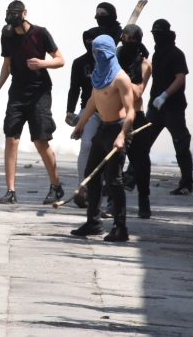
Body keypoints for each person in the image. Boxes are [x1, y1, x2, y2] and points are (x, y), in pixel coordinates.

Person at [0, 0, 65, 205]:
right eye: (9, 14)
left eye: (15, 13)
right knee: (11, 138)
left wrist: (42, 63)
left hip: (39, 91)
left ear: (24, 13)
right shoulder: (7, 35)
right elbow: (7, 65)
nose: (12, 17)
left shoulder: (40, 33)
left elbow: (60, 59)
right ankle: (10, 191)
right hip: (17, 91)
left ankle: (56, 186)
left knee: (40, 139)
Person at [70, 35, 135, 242]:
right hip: (103, 129)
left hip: (118, 130)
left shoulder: (120, 78)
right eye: (94, 52)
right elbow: (92, 101)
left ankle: (120, 227)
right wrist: (80, 125)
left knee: (114, 180)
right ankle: (93, 223)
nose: (96, 56)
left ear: (109, 52)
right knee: (91, 174)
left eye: (100, 52)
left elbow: (131, 111)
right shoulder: (98, 73)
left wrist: (122, 136)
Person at [141, 19, 193, 195]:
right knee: (142, 143)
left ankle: (186, 184)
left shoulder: (176, 54)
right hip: (155, 108)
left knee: (181, 144)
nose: (156, 36)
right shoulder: (157, 54)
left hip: (173, 108)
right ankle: (130, 179)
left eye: (159, 33)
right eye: (154, 33)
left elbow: (180, 78)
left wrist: (165, 95)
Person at [117, 24, 153, 218]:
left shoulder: (145, 64)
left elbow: (138, 92)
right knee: (115, 161)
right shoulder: (116, 58)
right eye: (124, 38)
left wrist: (120, 78)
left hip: (136, 117)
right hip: (116, 115)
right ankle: (112, 203)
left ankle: (144, 200)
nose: (126, 42)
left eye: (131, 39)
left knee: (140, 163)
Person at [65, 28, 98, 208]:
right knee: (86, 145)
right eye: (87, 40)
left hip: (111, 110)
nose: (90, 43)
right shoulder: (80, 63)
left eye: (94, 40)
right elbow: (74, 88)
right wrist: (70, 111)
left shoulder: (113, 61)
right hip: (88, 109)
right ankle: (82, 188)